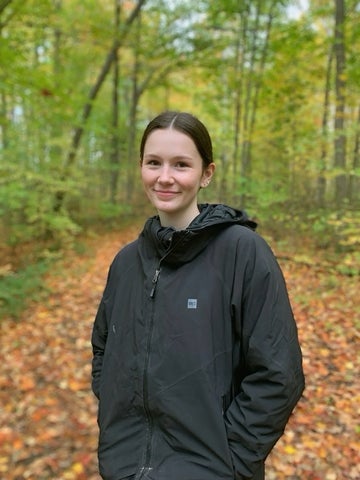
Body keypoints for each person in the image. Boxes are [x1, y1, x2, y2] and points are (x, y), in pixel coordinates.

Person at [91, 111, 305, 480]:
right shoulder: (126, 262)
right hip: (123, 468)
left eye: (181, 164)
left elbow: (279, 373)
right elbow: (103, 352)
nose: (165, 177)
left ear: (206, 173)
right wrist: (117, 433)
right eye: (153, 162)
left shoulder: (242, 252)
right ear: (141, 167)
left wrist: (231, 461)